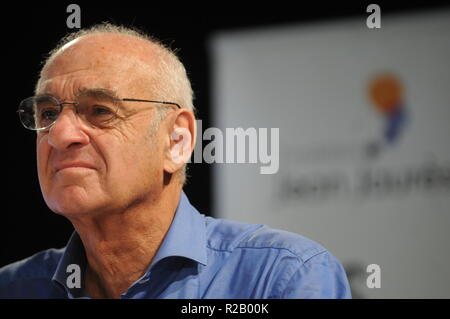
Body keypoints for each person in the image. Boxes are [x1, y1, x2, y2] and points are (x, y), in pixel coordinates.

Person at [0, 23, 351, 299]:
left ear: (177, 140)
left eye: (100, 111)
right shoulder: (13, 288)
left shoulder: (281, 277)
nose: (60, 135)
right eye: (47, 113)